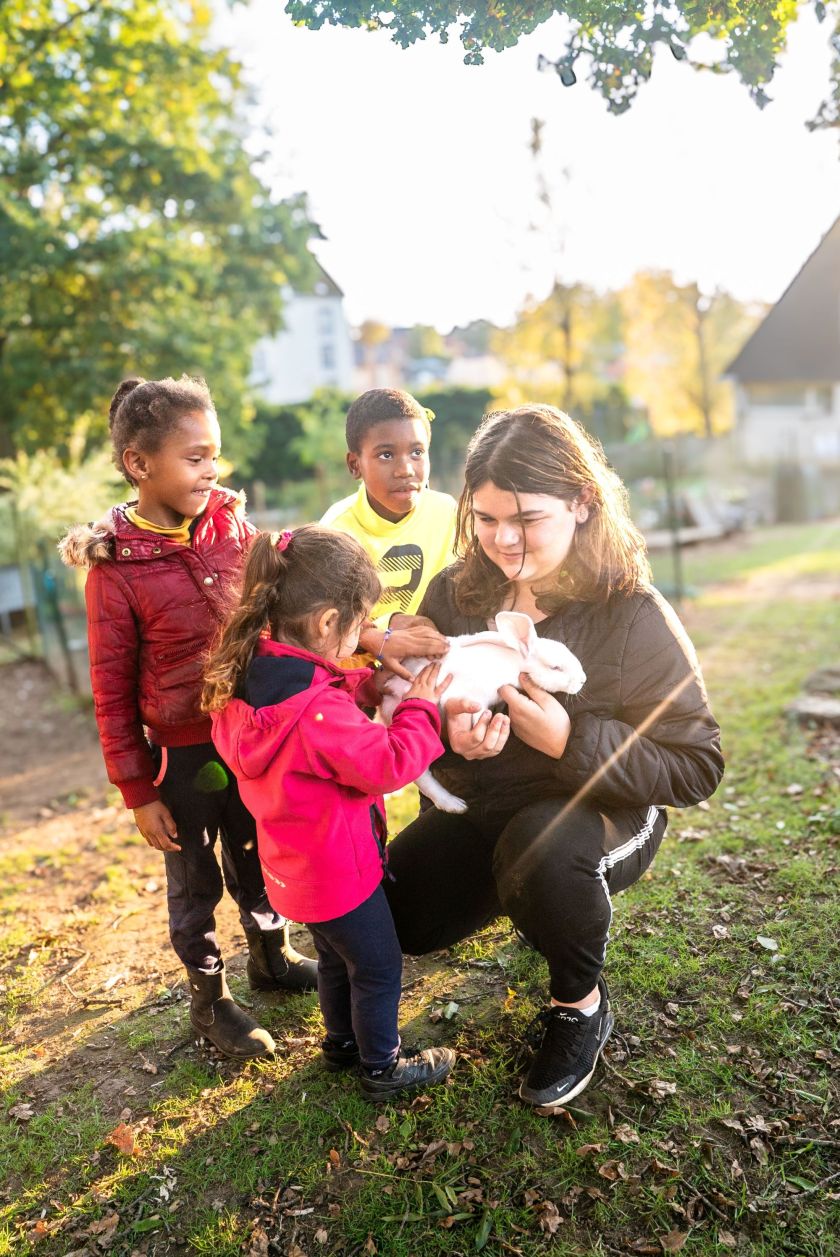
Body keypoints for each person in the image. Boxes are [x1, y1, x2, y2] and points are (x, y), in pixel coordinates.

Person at [381, 404, 724, 1110]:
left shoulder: (633, 612)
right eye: (485, 517)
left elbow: (697, 765)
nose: (503, 539)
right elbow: (419, 700)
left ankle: (581, 1003)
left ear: (582, 501)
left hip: (600, 812)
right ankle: (531, 895)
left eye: (527, 518)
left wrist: (571, 740)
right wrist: (450, 730)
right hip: (488, 806)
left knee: (540, 851)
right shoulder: (454, 589)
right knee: (403, 914)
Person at [59, 375, 317, 1062]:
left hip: (250, 739)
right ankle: (211, 1001)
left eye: (215, 456)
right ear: (140, 464)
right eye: (195, 456)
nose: (212, 470)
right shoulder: (114, 570)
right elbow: (110, 689)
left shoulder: (234, 525)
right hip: (183, 757)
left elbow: (274, 609)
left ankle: (272, 953)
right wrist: (138, 791)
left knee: (258, 852)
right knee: (196, 879)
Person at [204, 526, 456, 1101]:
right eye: (358, 620)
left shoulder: (250, 677)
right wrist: (420, 705)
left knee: (337, 962)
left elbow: (320, 689)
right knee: (378, 967)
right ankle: (382, 1067)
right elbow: (389, 763)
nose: (362, 634)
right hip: (343, 873)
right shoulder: (316, 713)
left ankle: (342, 1043)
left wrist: (365, 685)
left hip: (291, 871)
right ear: (325, 623)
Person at [320, 388, 457, 678]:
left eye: (417, 452)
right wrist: (378, 634)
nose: (405, 469)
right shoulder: (336, 532)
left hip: (438, 663)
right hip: (362, 677)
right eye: (386, 455)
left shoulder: (447, 513)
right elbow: (321, 620)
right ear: (355, 465)